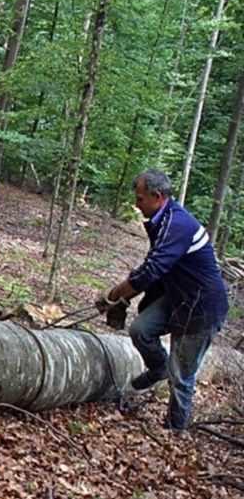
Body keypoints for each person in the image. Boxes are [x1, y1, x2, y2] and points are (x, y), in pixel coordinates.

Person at [96, 169, 229, 432]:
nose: (137, 205)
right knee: (141, 330)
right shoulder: (163, 219)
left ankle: (175, 430)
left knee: (182, 376)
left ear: (157, 196)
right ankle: (158, 368)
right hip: (177, 298)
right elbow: (156, 269)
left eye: (140, 199)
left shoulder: (177, 225)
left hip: (201, 309)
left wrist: (115, 295)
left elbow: (152, 270)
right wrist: (124, 298)